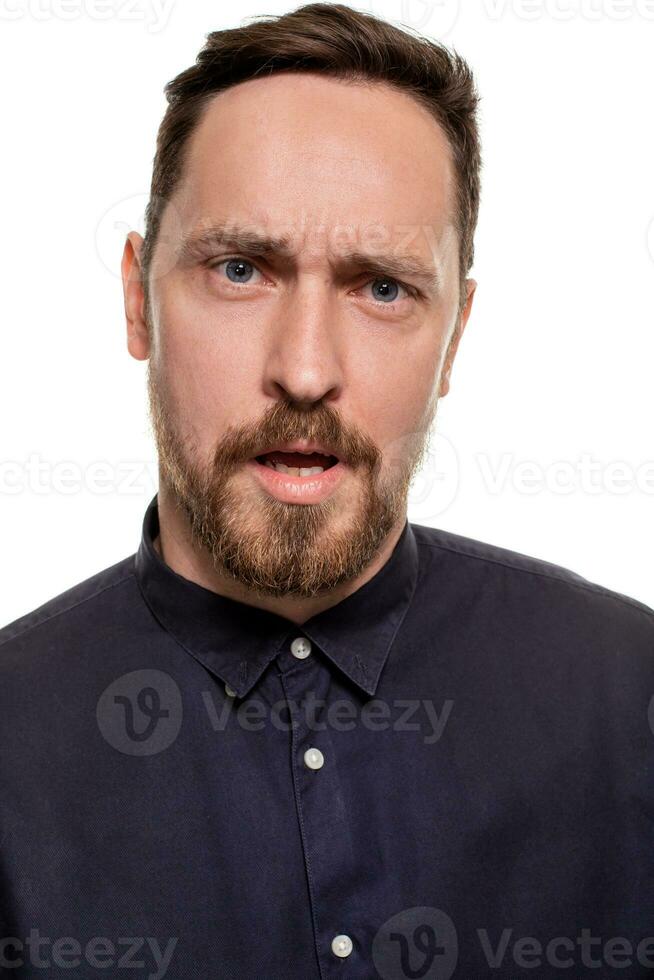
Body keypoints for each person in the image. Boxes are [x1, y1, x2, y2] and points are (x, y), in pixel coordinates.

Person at [2, 4, 653, 978]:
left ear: (455, 337)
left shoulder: (629, 694)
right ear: (136, 299)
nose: (305, 370)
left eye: (382, 286)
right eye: (239, 269)